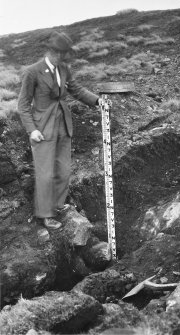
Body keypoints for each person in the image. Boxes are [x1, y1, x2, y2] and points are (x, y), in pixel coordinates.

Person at [18, 31, 102, 229]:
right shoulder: (33, 71)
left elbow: (77, 90)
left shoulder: (64, 68)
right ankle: (45, 214)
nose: (64, 57)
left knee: (63, 170)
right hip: (42, 128)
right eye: (62, 53)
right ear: (53, 52)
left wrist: (97, 101)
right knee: (45, 173)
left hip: (64, 124)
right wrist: (31, 130)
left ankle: (57, 205)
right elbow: (22, 104)